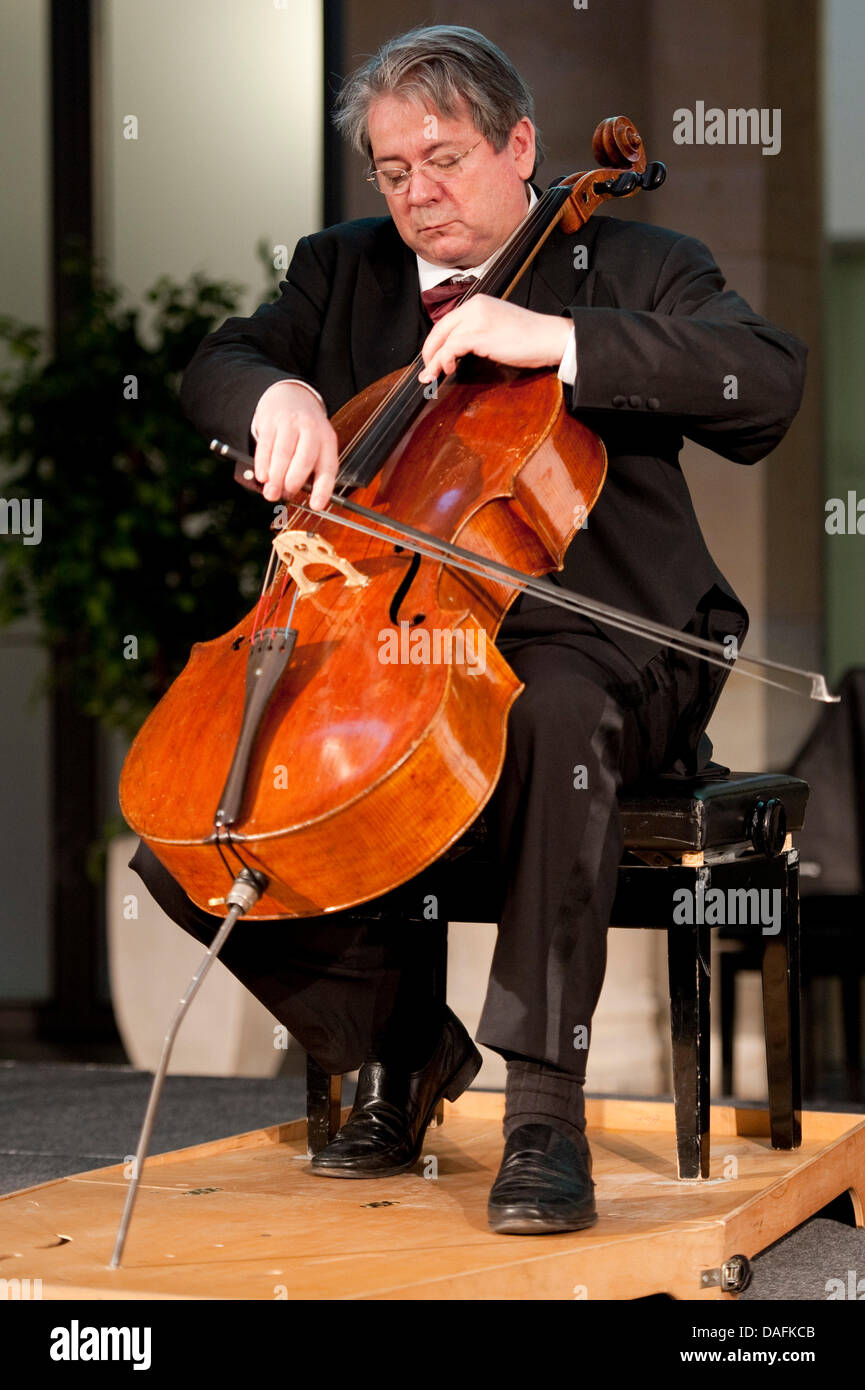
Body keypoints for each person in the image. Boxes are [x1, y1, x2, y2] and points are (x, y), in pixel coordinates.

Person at [131, 24, 806, 1235]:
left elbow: (761, 381)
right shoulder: (341, 272)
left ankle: (543, 1112)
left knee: (548, 706)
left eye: (442, 159)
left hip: (608, 634)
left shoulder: (638, 257)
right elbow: (221, 361)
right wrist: (276, 396)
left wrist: (563, 342)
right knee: (189, 807)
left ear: (520, 146)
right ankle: (400, 1045)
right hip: (394, 637)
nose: (417, 194)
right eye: (392, 171)